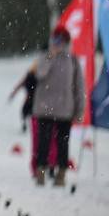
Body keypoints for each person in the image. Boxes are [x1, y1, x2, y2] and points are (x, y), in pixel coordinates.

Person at [29, 26, 85, 186]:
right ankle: (40, 172)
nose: (57, 43)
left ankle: (61, 174)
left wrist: (80, 110)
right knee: (43, 143)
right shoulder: (44, 57)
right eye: (55, 39)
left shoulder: (73, 60)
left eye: (61, 40)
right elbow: (39, 75)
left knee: (62, 143)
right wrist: (49, 57)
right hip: (44, 109)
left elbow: (79, 87)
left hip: (65, 110)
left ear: (67, 42)